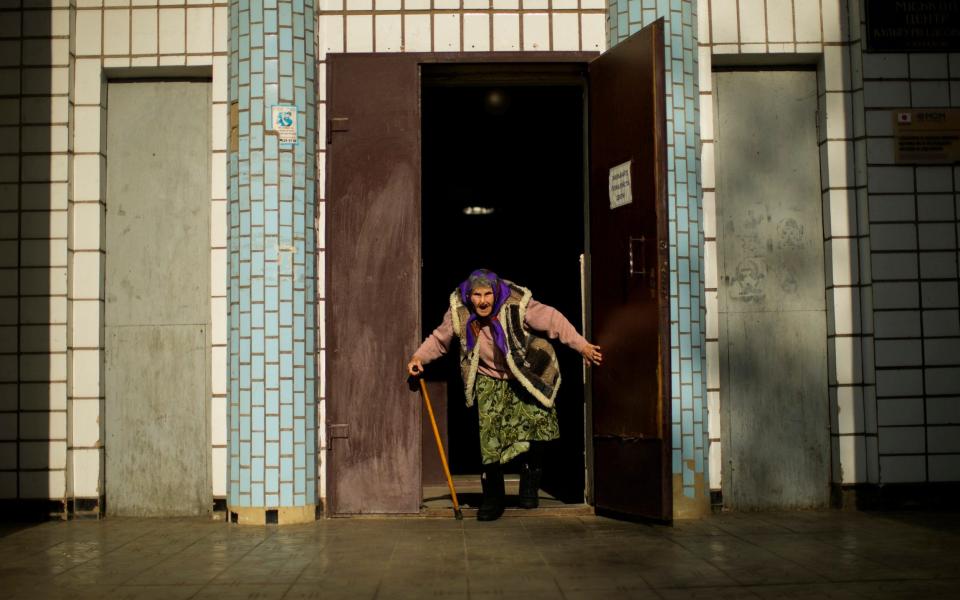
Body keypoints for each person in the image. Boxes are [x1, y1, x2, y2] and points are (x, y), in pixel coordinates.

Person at [407, 269, 602, 521]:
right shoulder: (460, 310)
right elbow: (440, 339)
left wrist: (582, 345)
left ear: (496, 292)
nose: (483, 301)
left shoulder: (516, 303)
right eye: (477, 295)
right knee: (490, 436)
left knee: (539, 426)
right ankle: (493, 496)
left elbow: (553, 319)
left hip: (526, 371)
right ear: (469, 295)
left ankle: (530, 478)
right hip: (489, 376)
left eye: (488, 294)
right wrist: (418, 357)